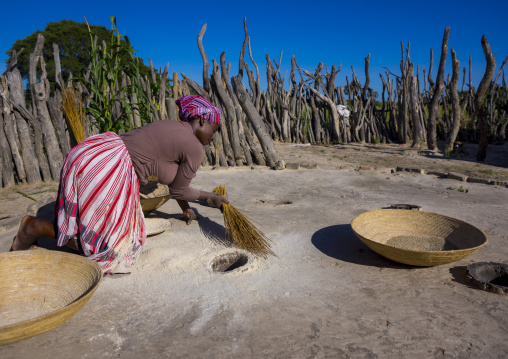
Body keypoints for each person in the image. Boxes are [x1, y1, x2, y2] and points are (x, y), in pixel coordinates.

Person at [11, 95, 229, 274]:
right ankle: (33, 228)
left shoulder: (172, 127)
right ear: (202, 120)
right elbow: (180, 189)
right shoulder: (194, 147)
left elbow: (175, 183)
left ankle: (32, 235)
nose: (213, 138)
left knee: (94, 224)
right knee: (111, 250)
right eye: (215, 129)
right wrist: (211, 197)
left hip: (94, 152)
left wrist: (186, 208)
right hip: (108, 166)